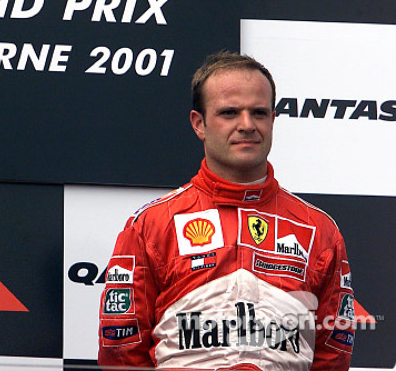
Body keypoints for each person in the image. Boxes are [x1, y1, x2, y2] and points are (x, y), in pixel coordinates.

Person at [98, 52, 354, 371]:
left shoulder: (318, 229)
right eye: (230, 112)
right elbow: (121, 350)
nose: (246, 125)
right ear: (199, 124)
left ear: (273, 120)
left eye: (258, 112)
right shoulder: (151, 224)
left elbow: (333, 355)